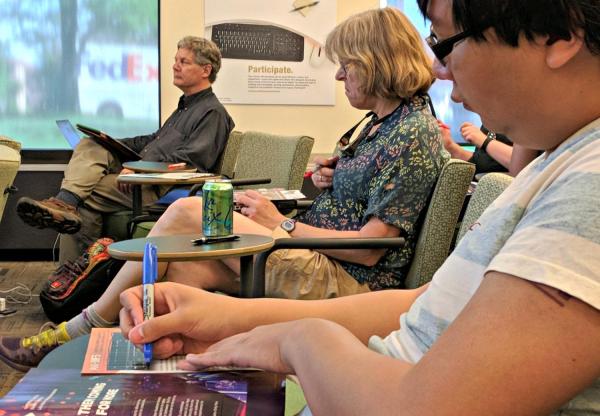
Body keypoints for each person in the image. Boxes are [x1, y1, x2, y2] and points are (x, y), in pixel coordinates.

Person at [0, 2, 598, 416]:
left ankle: (82, 322)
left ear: (559, 35)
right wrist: (235, 319)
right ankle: (90, 322)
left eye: (445, 43)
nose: (440, 71)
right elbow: (426, 304)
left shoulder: (585, 187)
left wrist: (291, 340)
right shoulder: (559, 161)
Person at [0, 7, 447, 372]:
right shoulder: (380, 125)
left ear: (375, 63)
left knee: (185, 214)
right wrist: (334, 177)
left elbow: (373, 249)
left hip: (349, 278)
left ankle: (77, 331)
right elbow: (367, 198)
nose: (339, 77)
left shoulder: (412, 134)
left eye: (346, 66)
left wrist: (283, 224)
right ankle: (89, 358)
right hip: (314, 251)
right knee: (168, 282)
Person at [15, 36, 235, 253]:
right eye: (176, 60)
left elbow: (191, 161)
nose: (174, 66)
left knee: (85, 193)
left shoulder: (212, 113)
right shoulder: (185, 107)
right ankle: (64, 204)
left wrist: (140, 167)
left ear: (206, 70)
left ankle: (85, 269)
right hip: (146, 176)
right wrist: (111, 142)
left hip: (160, 186)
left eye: (183, 62)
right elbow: (153, 140)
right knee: (91, 145)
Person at [439, 120, 539, 175]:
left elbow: (521, 166)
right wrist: (451, 146)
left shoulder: (525, 116)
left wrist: (484, 141)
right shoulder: (492, 118)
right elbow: (484, 162)